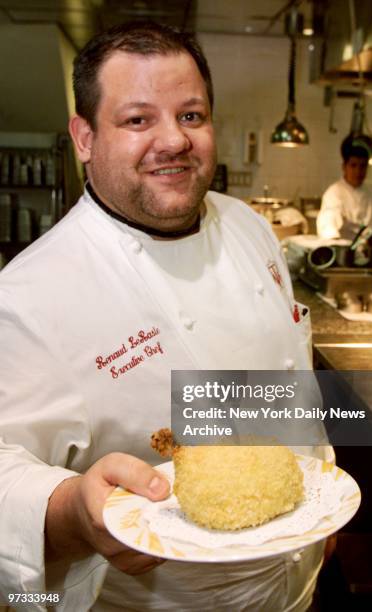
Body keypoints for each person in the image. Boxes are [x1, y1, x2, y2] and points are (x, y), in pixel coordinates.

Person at [0, 21, 331, 611]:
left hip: (300, 585)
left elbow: (287, 387)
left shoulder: (249, 226)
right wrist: (75, 511)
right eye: (137, 119)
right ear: (83, 136)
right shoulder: (32, 295)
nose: (173, 140)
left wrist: (326, 488)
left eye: (191, 115)